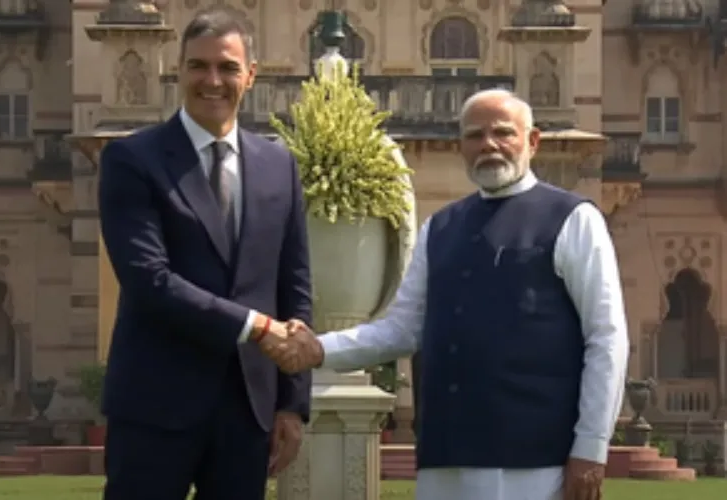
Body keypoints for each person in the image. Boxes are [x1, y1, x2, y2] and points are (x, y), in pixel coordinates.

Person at [266, 89, 630, 500]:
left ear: (532, 142)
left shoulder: (572, 218)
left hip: (533, 462)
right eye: (475, 135)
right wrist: (316, 349)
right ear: (461, 146)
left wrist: (592, 446)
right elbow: (401, 331)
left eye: (502, 133)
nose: (488, 145)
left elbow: (607, 338)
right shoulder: (439, 228)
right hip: (445, 458)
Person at [97, 7, 311, 500]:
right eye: (199, 66)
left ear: (250, 75)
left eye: (227, 67)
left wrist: (291, 404)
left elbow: (294, 286)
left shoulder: (280, 166)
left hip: (248, 408)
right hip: (155, 404)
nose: (212, 80)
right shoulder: (133, 159)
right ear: (179, 69)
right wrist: (256, 326)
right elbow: (149, 280)